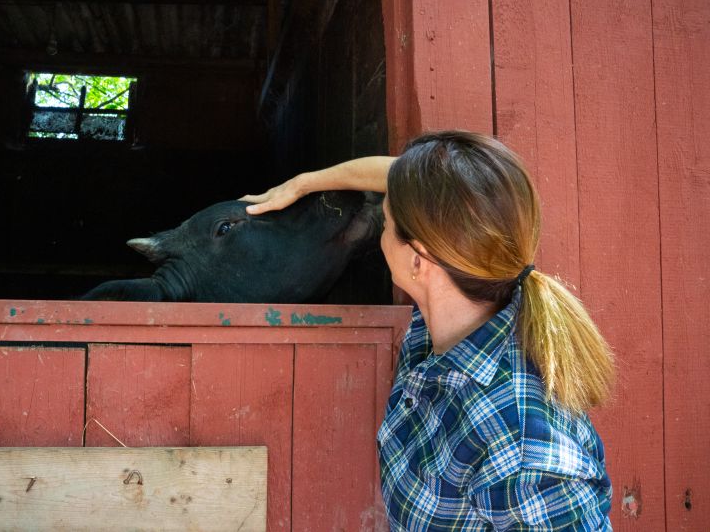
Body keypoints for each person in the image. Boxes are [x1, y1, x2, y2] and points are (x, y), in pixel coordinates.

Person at [241, 130, 615, 530]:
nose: (381, 234)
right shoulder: (459, 306)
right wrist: (304, 183)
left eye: (385, 224)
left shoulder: (520, 445)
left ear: (420, 262)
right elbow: (406, 181)